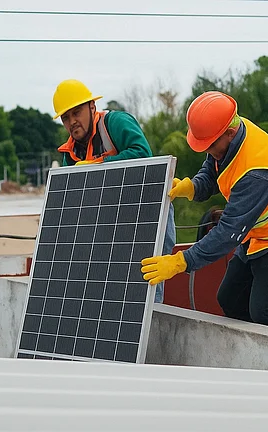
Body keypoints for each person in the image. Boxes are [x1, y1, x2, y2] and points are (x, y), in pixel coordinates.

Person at [140, 91, 268, 330]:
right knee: (230, 299)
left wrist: (182, 261)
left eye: (211, 145)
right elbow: (213, 168)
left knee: (264, 311)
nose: (209, 150)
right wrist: (193, 187)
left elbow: (229, 232)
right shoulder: (230, 131)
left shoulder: (258, 173)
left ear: (230, 133)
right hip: (257, 234)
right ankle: (253, 355)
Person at [52, 79, 175, 303]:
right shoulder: (70, 152)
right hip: (115, 219)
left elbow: (143, 155)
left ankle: (152, 328)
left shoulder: (116, 123)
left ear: (92, 107)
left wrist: (98, 166)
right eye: (66, 117)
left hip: (150, 211)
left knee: (148, 280)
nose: (72, 122)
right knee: (117, 285)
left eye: (76, 113)